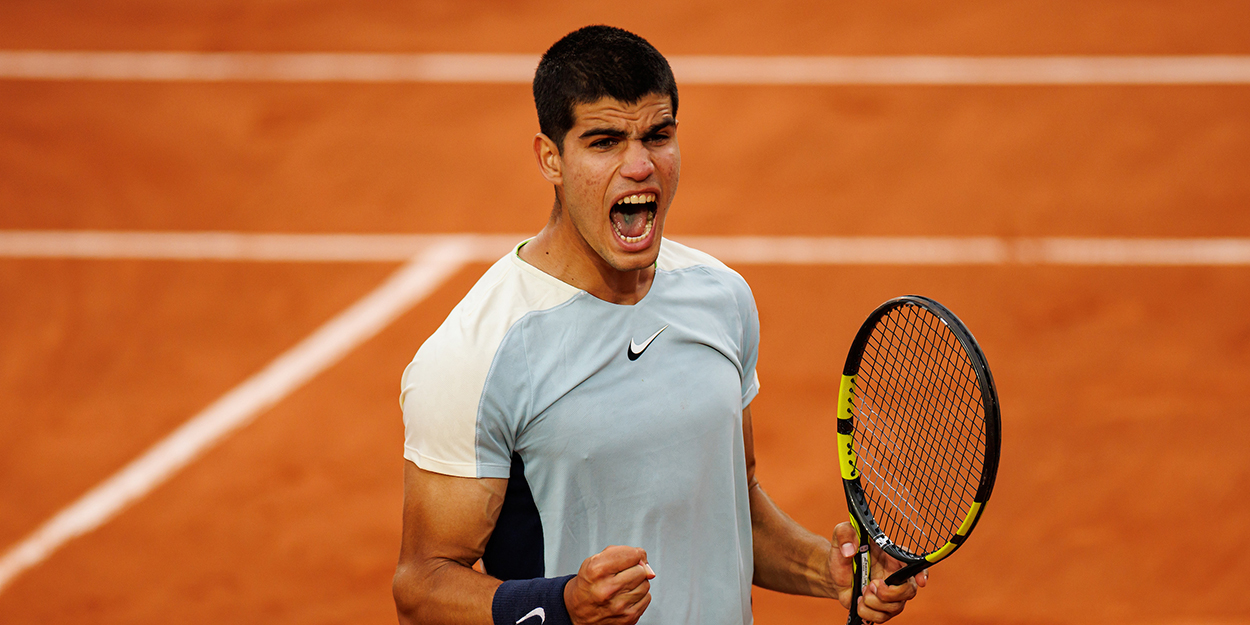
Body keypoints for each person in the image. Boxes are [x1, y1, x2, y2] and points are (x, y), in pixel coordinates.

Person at [393, 25, 924, 625]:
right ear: (551, 159)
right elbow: (422, 585)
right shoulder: (478, 355)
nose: (640, 165)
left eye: (658, 136)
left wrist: (825, 569)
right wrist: (561, 606)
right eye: (604, 142)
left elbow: (731, 507)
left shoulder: (720, 297)